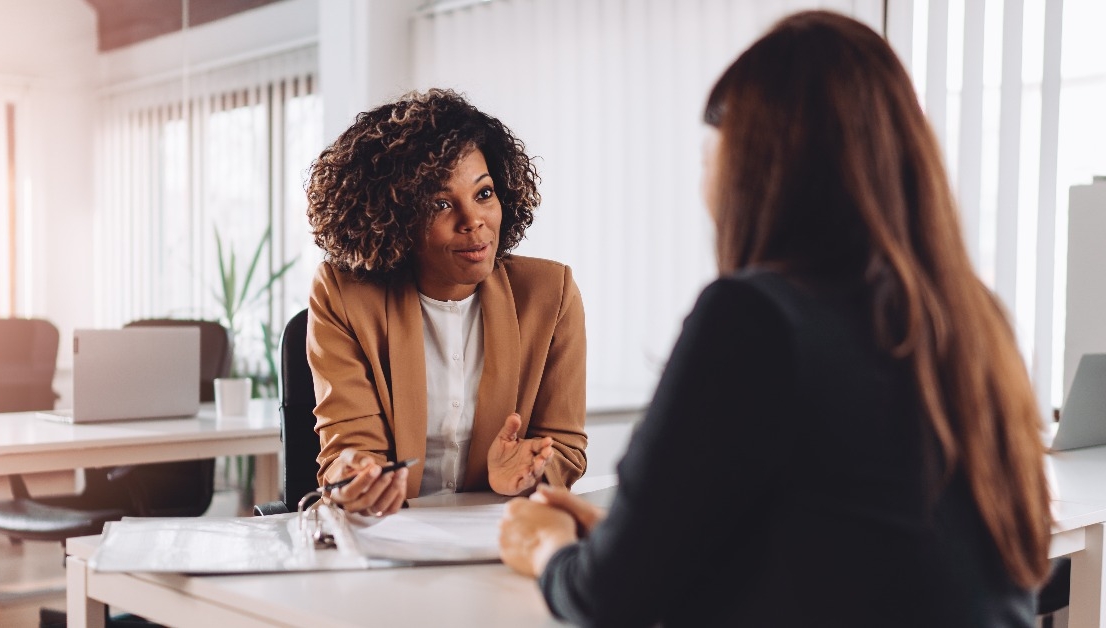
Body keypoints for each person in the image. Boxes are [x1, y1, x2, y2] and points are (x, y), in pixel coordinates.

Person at [498, 10, 1051, 628]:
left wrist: (546, 548)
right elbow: (849, 556)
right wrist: (631, 540)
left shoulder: (755, 318)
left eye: (714, 141)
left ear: (756, 159)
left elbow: (609, 599)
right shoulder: (974, 318)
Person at [303, 88, 588, 517]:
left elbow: (564, 446)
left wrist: (529, 471)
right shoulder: (344, 295)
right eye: (440, 203)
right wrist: (356, 474)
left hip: (495, 538)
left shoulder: (550, 294)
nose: (472, 219)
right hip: (389, 537)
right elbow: (347, 446)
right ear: (393, 218)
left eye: (483, 194)